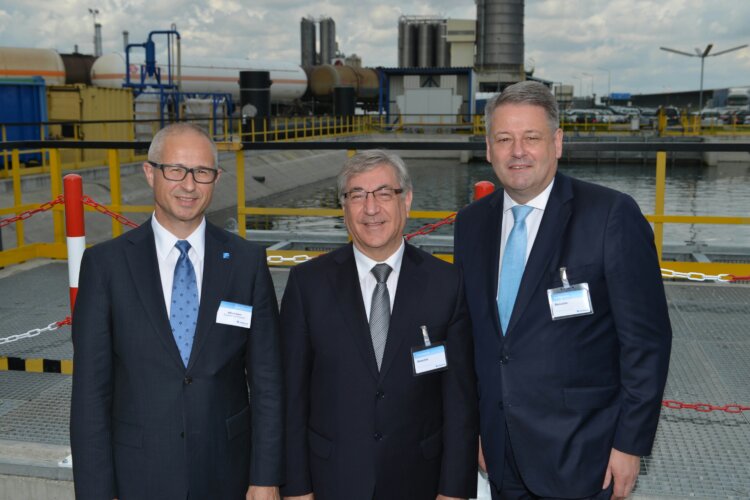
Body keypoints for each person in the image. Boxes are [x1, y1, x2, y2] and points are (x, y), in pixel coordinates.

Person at [453, 81, 672, 500]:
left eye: (531, 137)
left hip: (583, 454)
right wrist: (474, 429)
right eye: (504, 139)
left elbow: (647, 342)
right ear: (488, 149)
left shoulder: (610, 215)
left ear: (556, 143)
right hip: (499, 450)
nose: (518, 151)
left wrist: (629, 444)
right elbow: (469, 338)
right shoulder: (471, 223)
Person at [70, 123, 284, 500]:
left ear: (216, 178)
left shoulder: (246, 262)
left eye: (202, 172)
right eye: (176, 170)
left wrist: (265, 478)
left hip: (228, 474)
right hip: (138, 477)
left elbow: (268, 380)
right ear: (150, 172)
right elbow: (90, 395)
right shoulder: (106, 266)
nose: (189, 185)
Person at [280, 150, 478, 500]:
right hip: (331, 480)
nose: (371, 209)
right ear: (343, 207)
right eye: (357, 195)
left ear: (407, 200)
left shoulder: (447, 284)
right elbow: (291, 396)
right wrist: (296, 488)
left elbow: (459, 401)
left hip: (419, 481)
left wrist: (454, 491)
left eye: (384, 193)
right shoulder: (307, 284)